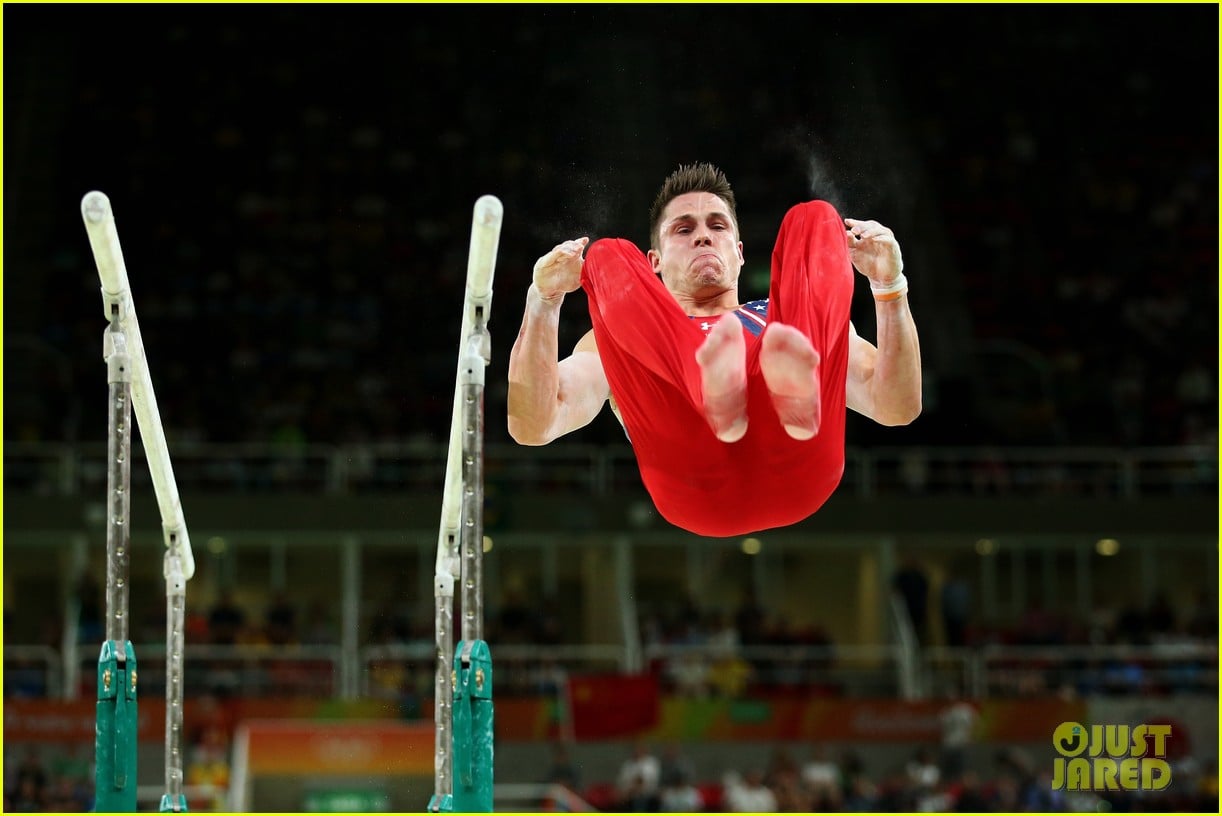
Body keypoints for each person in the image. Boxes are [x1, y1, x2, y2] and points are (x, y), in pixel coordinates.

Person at [508, 163, 921, 537]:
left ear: (739, 253)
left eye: (718, 226)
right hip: (694, 482)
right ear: (654, 261)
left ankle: (737, 386)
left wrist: (889, 287)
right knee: (606, 256)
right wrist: (543, 301)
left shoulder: (785, 320)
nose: (703, 235)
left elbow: (896, 405)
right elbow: (534, 425)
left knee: (814, 219)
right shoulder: (616, 337)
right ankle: (711, 386)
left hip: (800, 458)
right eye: (683, 229)